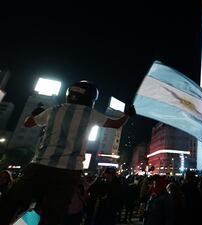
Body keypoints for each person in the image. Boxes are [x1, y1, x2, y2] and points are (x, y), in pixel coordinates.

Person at [0, 80, 136, 225]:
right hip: (69, 172)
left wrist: (32, 115)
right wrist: (127, 114)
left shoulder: (55, 109)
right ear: (91, 98)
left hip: (41, 165)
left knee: (10, 201)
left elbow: (28, 123)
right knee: (53, 214)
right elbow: (116, 124)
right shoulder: (90, 114)